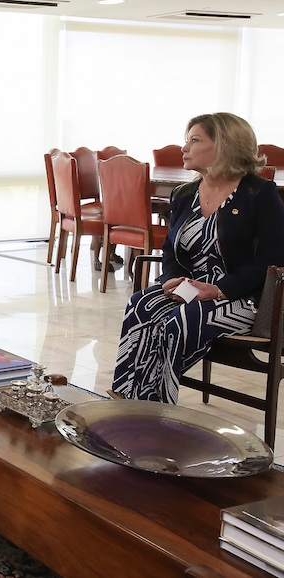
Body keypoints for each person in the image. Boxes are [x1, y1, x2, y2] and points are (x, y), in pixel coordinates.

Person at [111, 113, 284, 402]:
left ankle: (154, 405)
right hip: (191, 289)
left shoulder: (258, 193)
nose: (184, 148)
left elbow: (273, 257)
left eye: (195, 140)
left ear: (225, 145)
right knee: (140, 304)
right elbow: (170, 249)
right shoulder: (184, 194)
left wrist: (218, 289)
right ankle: (126, 397)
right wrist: (171, 280)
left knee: (180, 320)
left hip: (242, 297)